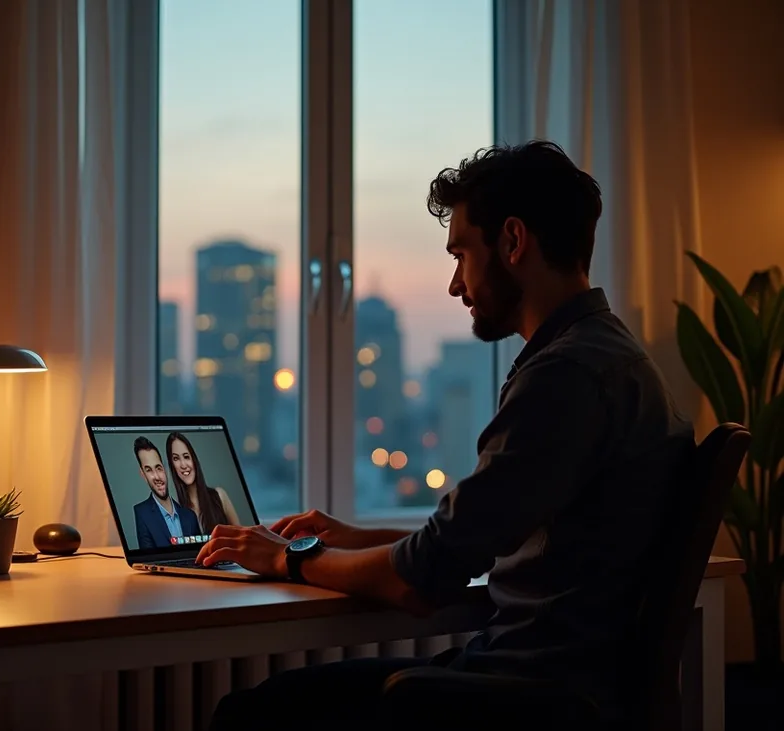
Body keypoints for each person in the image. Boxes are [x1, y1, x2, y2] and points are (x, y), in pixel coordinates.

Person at [196, 140, 695, 730]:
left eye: (460, 255)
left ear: (513, 242)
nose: (455, 285)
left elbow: (421, 581)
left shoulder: (565, 376)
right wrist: (354, 538)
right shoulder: (613, 357)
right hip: (545, 684)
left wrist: (290, 558)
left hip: (517, 698)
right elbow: (479, 540)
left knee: (250, 714)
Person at [131, 436, 200, 549]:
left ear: (165, 469)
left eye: (158, 468)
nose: (157, 477)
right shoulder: (142, 513)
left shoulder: (190, 516)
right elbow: (149, 561)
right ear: (143, 474)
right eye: (149, 470)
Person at [166, 431, 241, 534]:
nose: (183, 465)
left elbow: (241, 537)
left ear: (194, 459)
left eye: (186, 457)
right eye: (176, 459)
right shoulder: (175, 512)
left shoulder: (219, 495)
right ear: (172, 466)